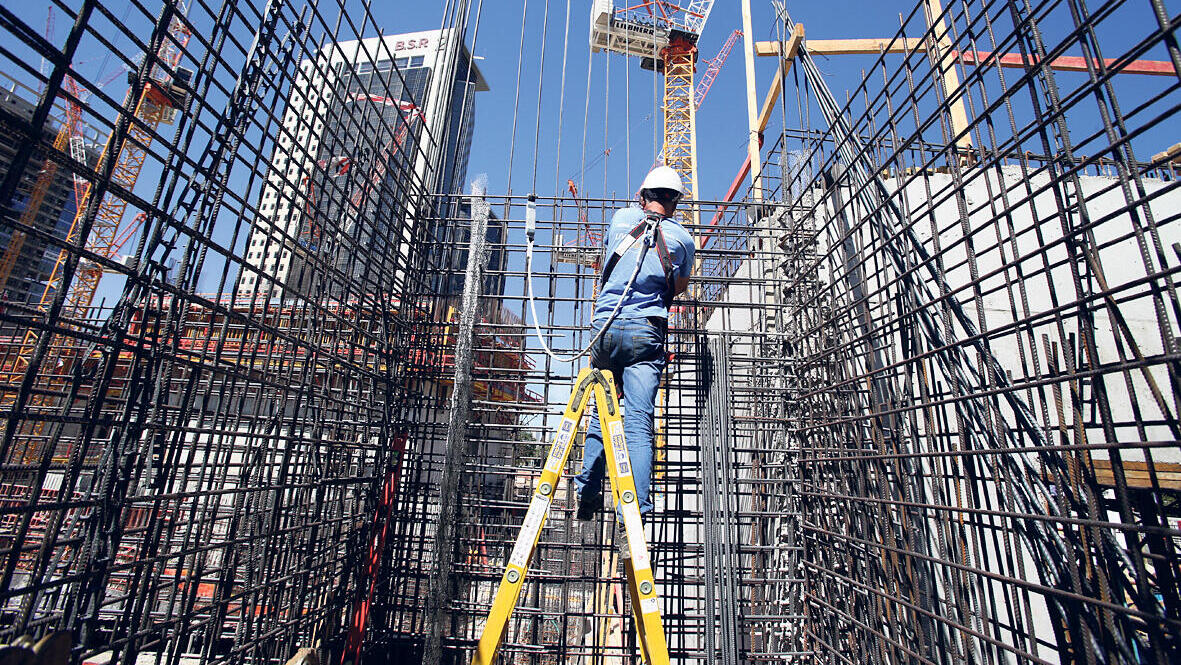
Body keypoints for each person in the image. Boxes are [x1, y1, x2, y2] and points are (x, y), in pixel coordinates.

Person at [574, 165, 695, 520]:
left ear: (642, 197)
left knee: (600, 414)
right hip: (645, 331)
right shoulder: (683, 240)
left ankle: (587, 492)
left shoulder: (620, 219)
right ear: (674, 204)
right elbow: (678, 287)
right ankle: (636, 511)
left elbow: (610, 262)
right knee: (639, 422)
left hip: (605, 327)